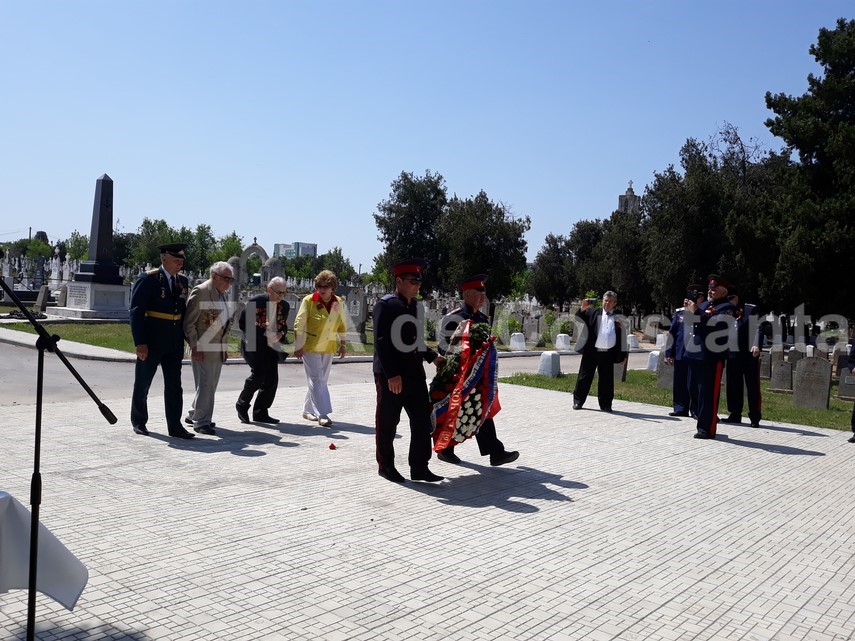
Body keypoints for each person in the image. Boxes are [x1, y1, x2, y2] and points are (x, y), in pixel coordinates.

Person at [373, 258, 446, 483]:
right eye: (413, 281)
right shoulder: (386, 305)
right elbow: (381, 342)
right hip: (392, 375)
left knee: (422, 420)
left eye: (419, 282)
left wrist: (433, 357)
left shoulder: (416, 306)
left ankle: (420, 467)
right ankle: (386, 466)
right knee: (388, 422)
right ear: (399, 281)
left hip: (414, 373)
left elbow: (416, 340)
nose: (417, 285)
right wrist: (391, 374)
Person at [435, 273, 519, 466]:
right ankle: (445, 449)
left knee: (482, 409)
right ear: (466, 295)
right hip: (457, 376)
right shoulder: (454, 318)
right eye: (478, 294)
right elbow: (443, 346)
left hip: (478, 375)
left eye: (484, 294)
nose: (483, 298)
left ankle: (495, 452)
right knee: (454, 411)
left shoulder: (482, 318)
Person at [129, 242, 195, 439]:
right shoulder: (148, 279)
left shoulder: (182, 281)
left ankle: (175, 426)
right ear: (164, 259)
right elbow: (136, 312)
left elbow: (182, 312)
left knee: (175, 386)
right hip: (152, 339)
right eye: (176, 260)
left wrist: (188, 339)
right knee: (143, 383)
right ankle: (139, 421)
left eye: (182, 260)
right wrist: (140, 342)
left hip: (174, 341)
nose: (180, 263)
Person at [182, 261, 235, 435]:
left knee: (210, 385)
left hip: (217, 349)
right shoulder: (202, 291)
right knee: (205, 385)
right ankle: (201, 422)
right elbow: (189, 323)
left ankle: (193, 414)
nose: (228, 283)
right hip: (202, 348)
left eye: (231, 279)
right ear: (214, 276)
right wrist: (194, 346)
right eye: (226, 278)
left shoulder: (222, 294)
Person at [684, 274, 737, 440]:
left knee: (708, 393)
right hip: (696, 352)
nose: (710, 291)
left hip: (712, 355)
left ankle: (707, 428)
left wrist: (696, 311)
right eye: (709, 288)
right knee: (696, 391)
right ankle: (700, 420)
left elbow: (717, 325)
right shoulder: (706, 305)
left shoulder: (728, 307)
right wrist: (690, 311)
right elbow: (694, 323)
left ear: (723, 290)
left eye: (714, 288)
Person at [294, 269, 347, 427]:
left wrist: (343, 344)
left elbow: (342, 324)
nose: (322, 289)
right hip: (310, 346)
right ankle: (322, 414)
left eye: (326, 286)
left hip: (329, 346)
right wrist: (298, 345)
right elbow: (299, 323)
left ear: (333, 288)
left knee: (320, 380)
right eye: (319, 286)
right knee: (317, 378)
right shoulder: (309, 301)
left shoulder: (338, 302)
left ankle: (307, 410)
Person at [235, 276, 289, 424]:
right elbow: (243, 324)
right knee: (258, 375)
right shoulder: (255, 302)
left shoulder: (284, 306)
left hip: (272, 346)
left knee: (271, 379)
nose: (281, 296)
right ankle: (242, 404)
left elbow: (284, 326)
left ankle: (261, 412)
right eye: (278, 292)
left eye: (284, 293)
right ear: (269, 289)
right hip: (253, 343)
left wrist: (280, 333)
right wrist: (263, 333)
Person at [572, 291, 628, 412]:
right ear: (602, 301)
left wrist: (624, 354)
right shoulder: (592, 312)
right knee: (584, 377)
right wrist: (582, 309)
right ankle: (578, 401)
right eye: (605, 300)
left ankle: (606, 404)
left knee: (606, 380)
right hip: (591, 351)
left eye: (610, 301)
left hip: (607, 353)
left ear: (615, 303)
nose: (607, 303)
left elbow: (623, 337)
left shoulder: (619, 317)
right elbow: (579, 318)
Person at [722, 290, 764, 428]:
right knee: (733, 385)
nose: (728, 301)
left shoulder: (749, 310)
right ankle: (735, 414)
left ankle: (754, 416)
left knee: (752, 386)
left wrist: (756, 344)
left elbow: (758, 328)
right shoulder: (723, 309)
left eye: (731, 298)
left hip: (748, 353)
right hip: (732, 353)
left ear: (737, 298)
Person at [665, 284, 705, 418]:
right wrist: (669, 353)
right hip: (680, 352)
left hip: (696, 353)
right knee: (680, 382)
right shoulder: (680, 312)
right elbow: (672, 333)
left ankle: (696, 410)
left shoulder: (703, 313)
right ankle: (680, 408)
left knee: (694, 383)